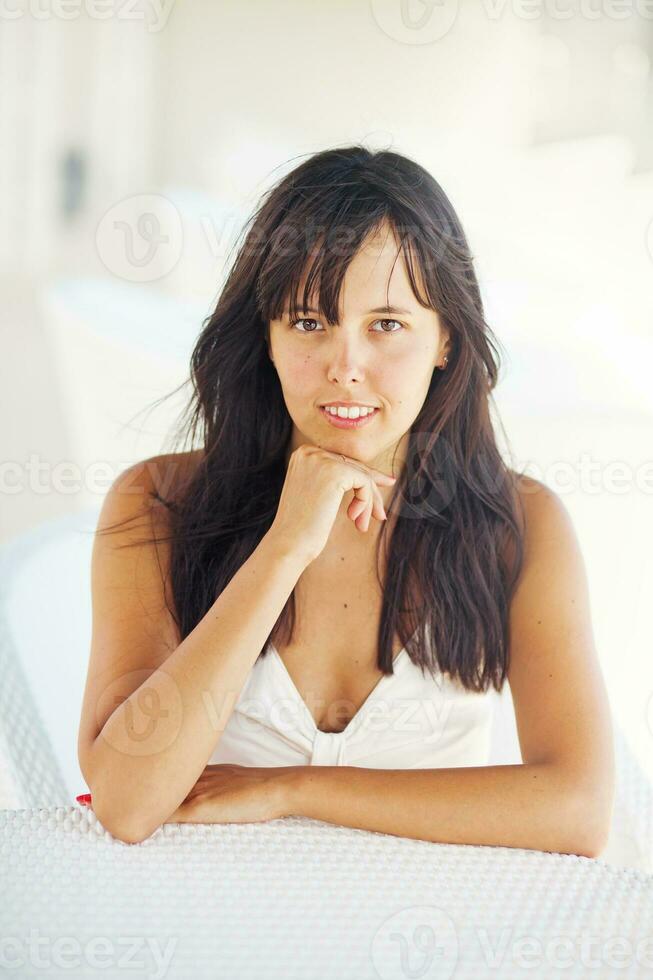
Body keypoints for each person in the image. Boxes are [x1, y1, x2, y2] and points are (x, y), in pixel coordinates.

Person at [77, 145, 614, 855]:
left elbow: (576, 812)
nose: (345, 367)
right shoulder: (157, 502)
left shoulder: (519, 523)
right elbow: (126, 801)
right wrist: (284, 546)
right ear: (264, 337)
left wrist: (289, 792)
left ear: (444, 338)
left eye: (386, 325)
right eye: (308, 322)